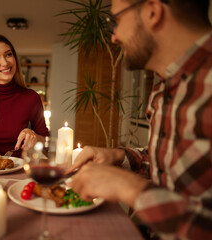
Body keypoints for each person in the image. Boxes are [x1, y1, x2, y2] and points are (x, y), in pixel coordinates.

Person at [67, 0, 212, 239]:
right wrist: (119, 156)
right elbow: (171, 164)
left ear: (152, 12)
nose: (113, 37)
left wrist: (130, 188)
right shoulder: (164, 84)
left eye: (116, 20)